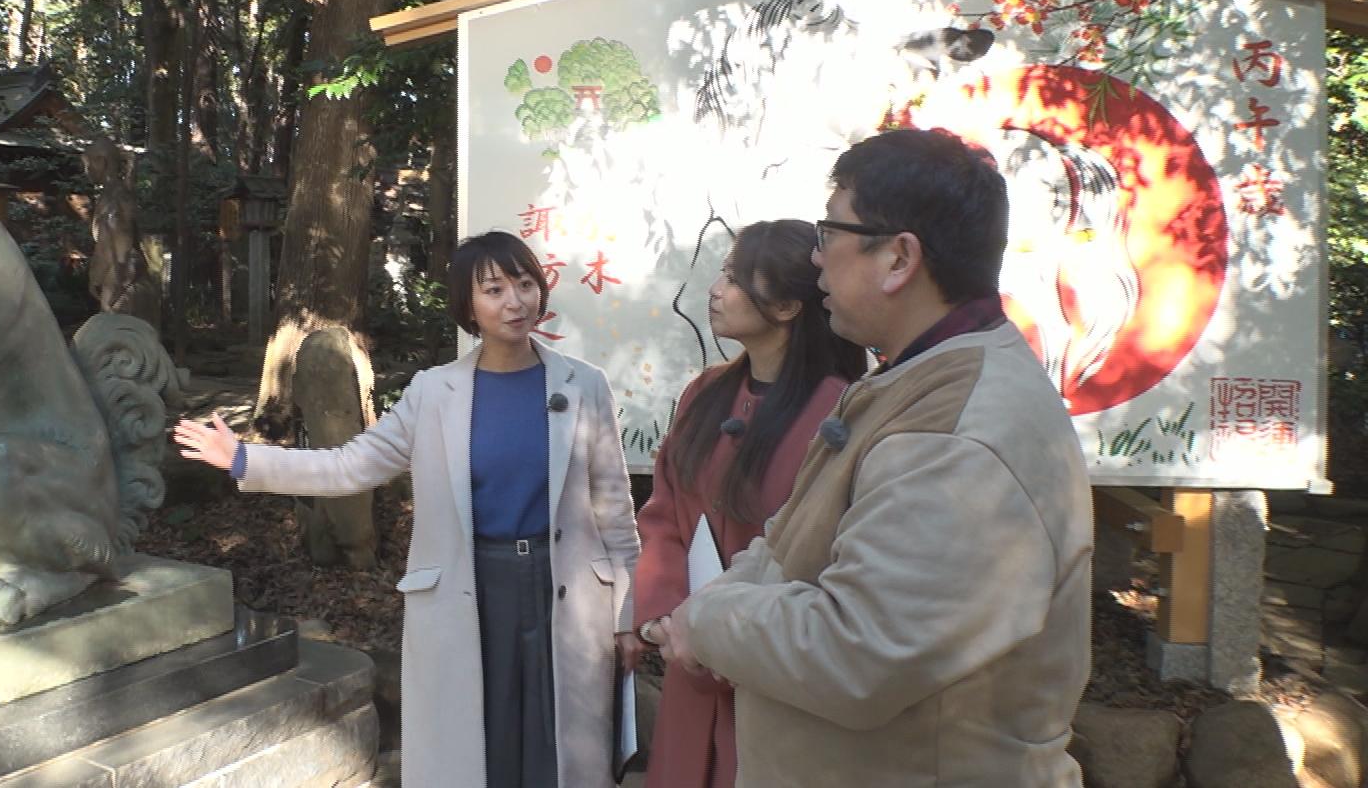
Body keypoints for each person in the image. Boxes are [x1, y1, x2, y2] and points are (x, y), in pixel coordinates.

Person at [661, 128, 1093, 786]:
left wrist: (710, 620)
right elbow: (787, 545)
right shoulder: (910, 383)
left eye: (828, 232)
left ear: (899, 259)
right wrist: (709, 608)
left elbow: (859, 649)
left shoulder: (959, 434)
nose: (817, 258)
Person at [174, 231, 640, 788]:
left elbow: (614, 506)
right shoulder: (435, 392)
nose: (515, 301)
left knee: (556, 738)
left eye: (524, 284)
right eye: (494, 289)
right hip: (472, 585)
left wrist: (629, 616)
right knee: (479, 735)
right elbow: (353, 464)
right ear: (468, 307)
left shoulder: (582, 383)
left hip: (564, 586)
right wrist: (246, 459)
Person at [627, 220, 865, 787]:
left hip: (774, 675)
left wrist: (724, 633)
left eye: (734, 277)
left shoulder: (843, 413)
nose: (715, 289)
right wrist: (662, 614)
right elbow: (664, 516)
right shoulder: (705, 392)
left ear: (785, 304)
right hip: (688, 656)